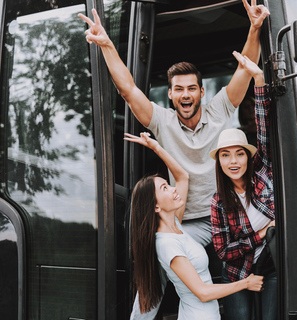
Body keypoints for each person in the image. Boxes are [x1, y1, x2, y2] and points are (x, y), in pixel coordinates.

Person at [78, 0, 270, 247]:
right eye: (178, 89)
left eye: (192, 88)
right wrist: (106, 45)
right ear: (170, 95)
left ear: (201, 92)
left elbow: (246, 69)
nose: (186, 95)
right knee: (165, 253)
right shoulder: (161, 121)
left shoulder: (220, 108)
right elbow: (128, 90)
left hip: (226, 216)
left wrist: (255, 28)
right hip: (187, 222)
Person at [125, 131, 264, 319]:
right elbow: (202, 293)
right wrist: (246, 283)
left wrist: (156, 147)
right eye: (165, 188)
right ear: (155, 206)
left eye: (168, 184)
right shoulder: (167, 244)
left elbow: (182, 176)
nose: (173, 189)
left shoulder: (175, 225)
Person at [210, 52, 276, 320]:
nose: (233, 161)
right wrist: (261, 235)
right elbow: (224, 250)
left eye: (239, 153)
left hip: (271, 266)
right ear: (220, 162)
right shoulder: (218, 201)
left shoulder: (262, 172)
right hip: (237, 274)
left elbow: (263, 128)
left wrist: (258, 78)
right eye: (225, 155)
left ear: (248, 157)